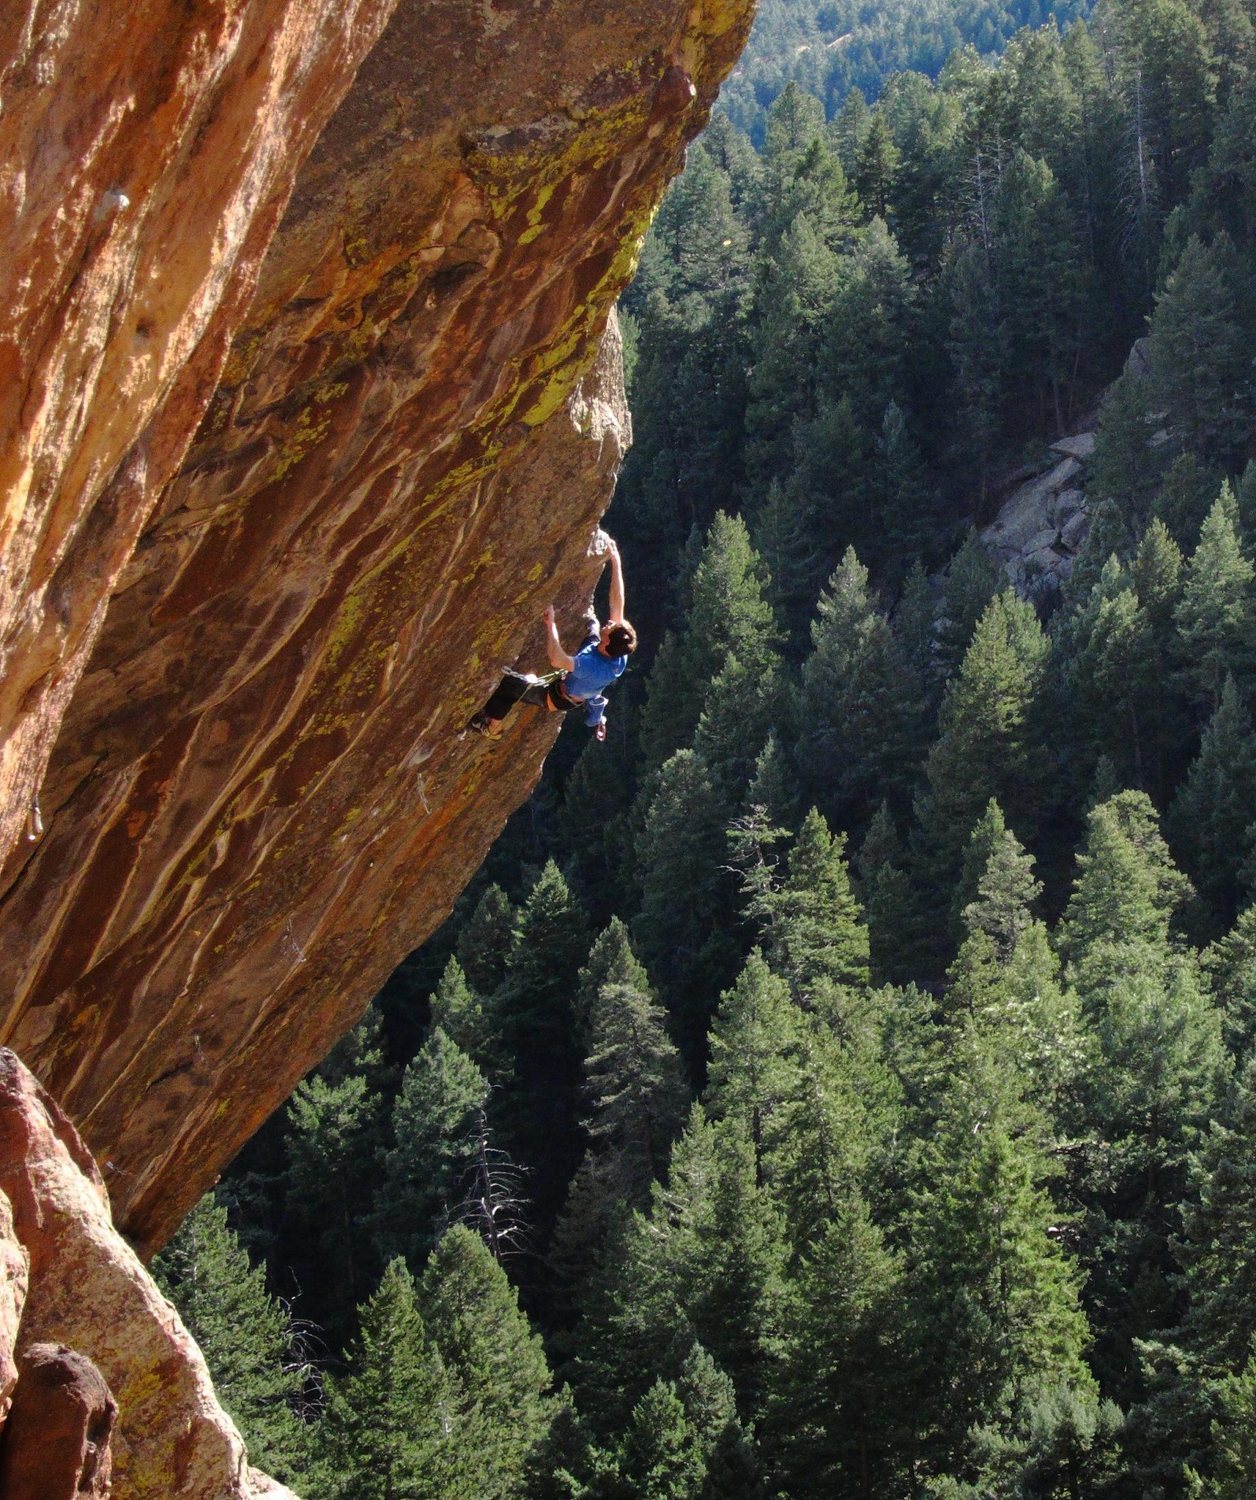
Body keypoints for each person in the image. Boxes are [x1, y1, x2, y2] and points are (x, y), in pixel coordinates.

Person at [467, 538, 636, 742]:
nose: (608, 624)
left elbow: (557, 659)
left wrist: (551, 625)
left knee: (510, 687)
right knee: (592, 625)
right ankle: (589, 619)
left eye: (609, 629)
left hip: (557, 696)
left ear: (607, 643)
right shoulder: (619, 651)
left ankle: (491, 729)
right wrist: (616, 562)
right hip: (586, 668)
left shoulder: (590, 666)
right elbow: (617, 601)